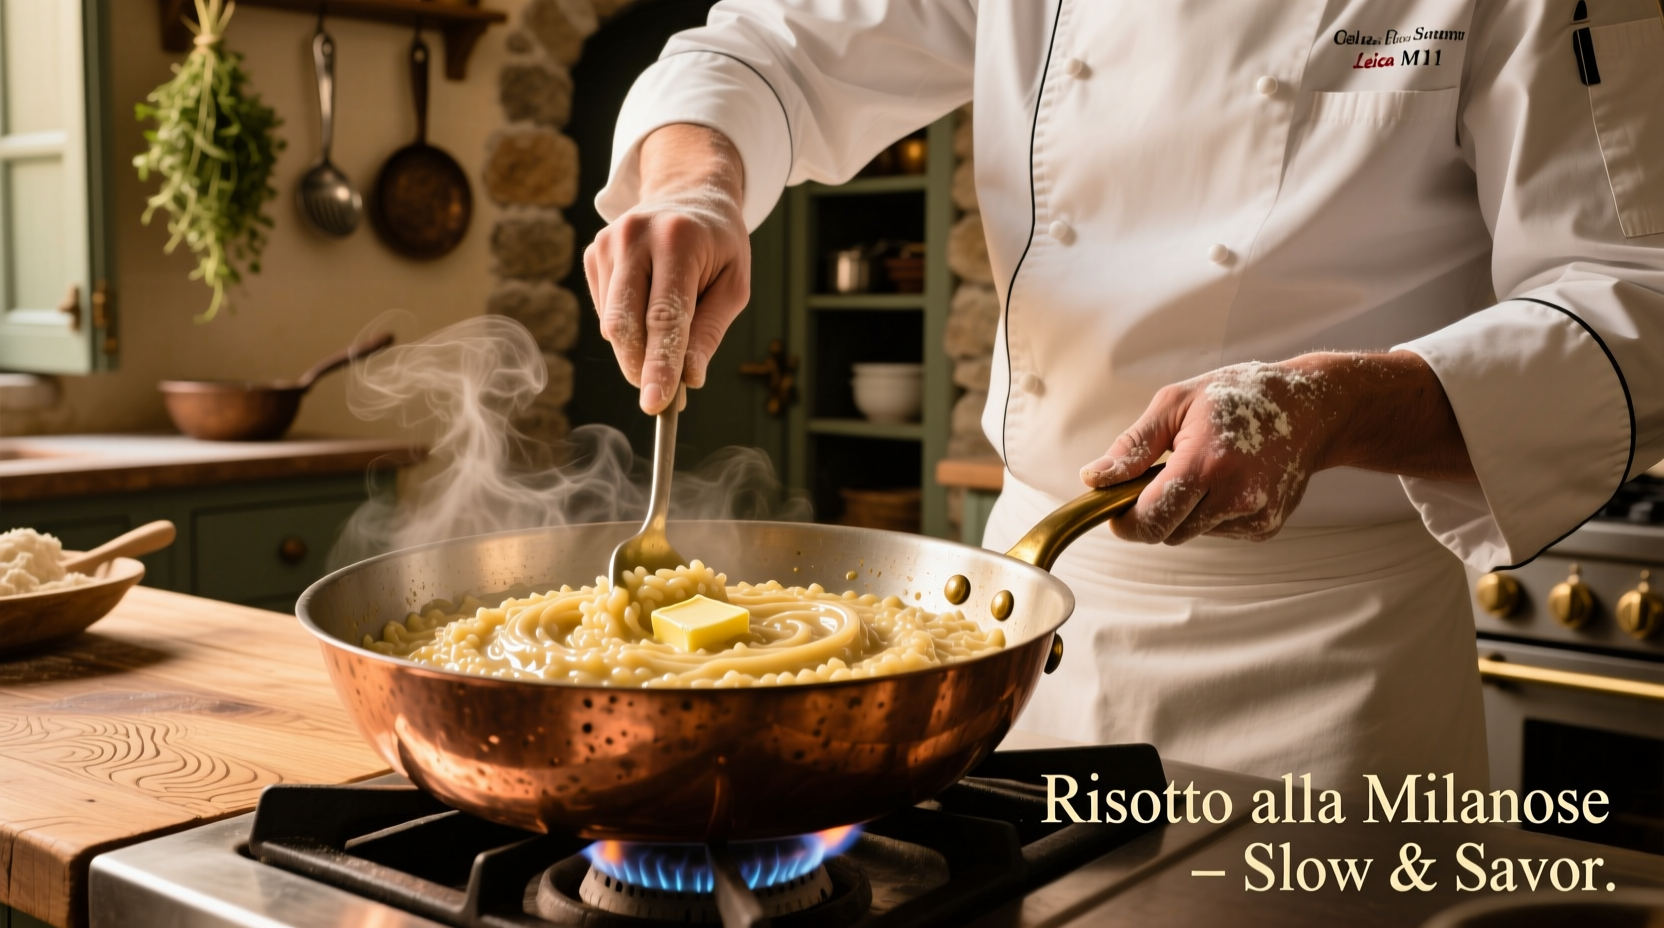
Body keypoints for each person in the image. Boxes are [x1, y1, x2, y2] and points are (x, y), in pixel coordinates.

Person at [582, 1, 1664, 791]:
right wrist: (695, 185)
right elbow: (766, 47)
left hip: (1322, 676)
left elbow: (1631, 295)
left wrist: (1337, 401)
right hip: (1016, 641)